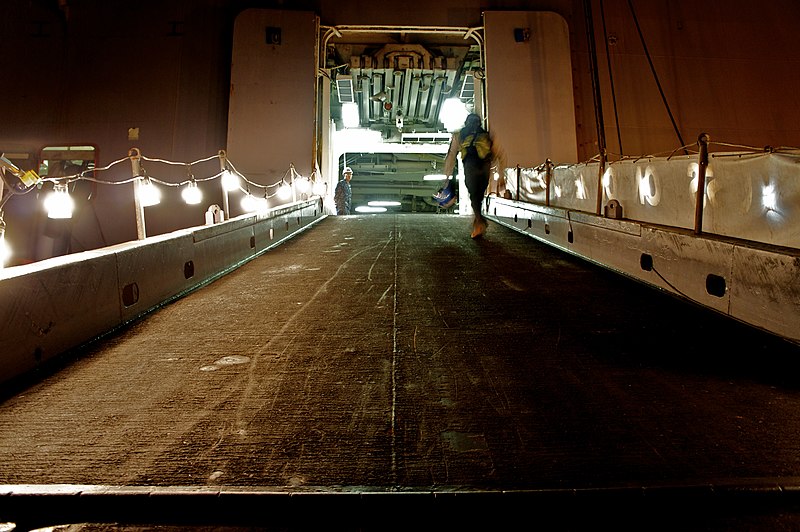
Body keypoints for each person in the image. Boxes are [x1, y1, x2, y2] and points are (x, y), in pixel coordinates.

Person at [443, 113, 503, 238]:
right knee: (479, 196)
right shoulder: (485, 135)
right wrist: (501, 176)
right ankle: (478, 223)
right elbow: (498, 155)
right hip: (485, 167)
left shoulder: (460, 134)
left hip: (471, 166)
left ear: (466, 122)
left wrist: (447, 177)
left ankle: (480, 222)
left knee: (474, 196)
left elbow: (451, 155)